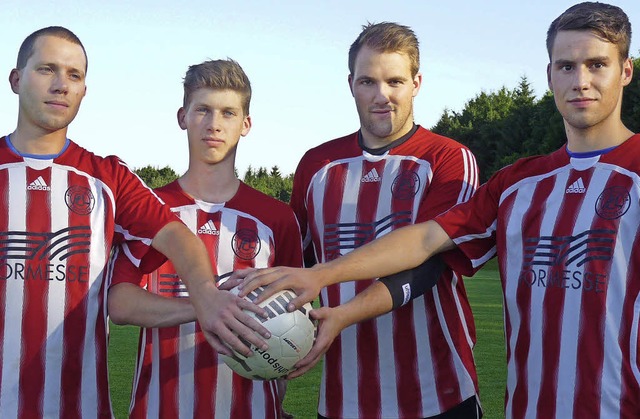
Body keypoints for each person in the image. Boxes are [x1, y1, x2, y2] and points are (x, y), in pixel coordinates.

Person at [240, 2, 640, 418]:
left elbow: (428, 267)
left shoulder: (452, 159)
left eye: (597, 65)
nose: (581, 81)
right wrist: (319, 276)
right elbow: (428, 239)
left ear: (626, 70)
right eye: (566, 66)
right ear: (549, 74)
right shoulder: (515, 185)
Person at [0, 27, 269, 418]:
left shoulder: (108, 177)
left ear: (84, 92)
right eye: (47, 69)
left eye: (74, 75)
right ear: (16, 79)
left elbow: (178, 236)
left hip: (81, 407)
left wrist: (205, 297)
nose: (61, 85)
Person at [243, 22, 481, 419]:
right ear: (350, 83)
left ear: (417, 83)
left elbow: (427, 268)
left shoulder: (449, 159)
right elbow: (290, 274)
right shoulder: (317, 165)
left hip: (439, 392)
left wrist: (340, 308)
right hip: (343, 399)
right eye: (368, 81)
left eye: (395, 81)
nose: (381, 96)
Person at [107, 59, 302, 418]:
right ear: (183, 117)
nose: (214, 125)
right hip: (158, 409)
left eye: (228, 113)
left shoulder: (278, 218)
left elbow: (293, 315)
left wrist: (276, 399)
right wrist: (206, 308)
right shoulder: (148, 209)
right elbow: (120, 304)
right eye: (203, 110)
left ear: (246, 124)